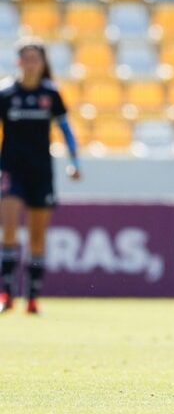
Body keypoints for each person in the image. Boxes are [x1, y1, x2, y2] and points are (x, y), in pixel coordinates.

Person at [0, 39, 81, 315]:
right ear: (19, 62)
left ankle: (32, 298)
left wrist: (75, 161)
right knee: (8, 229)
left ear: (43, 63)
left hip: (41, 171)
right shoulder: (6, 93)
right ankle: (5, 295)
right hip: (11, 169)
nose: (32, 64)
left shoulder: (51, 94)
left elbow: (66, 130)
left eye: (37, 59)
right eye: (28, 58)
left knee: (37, 237)